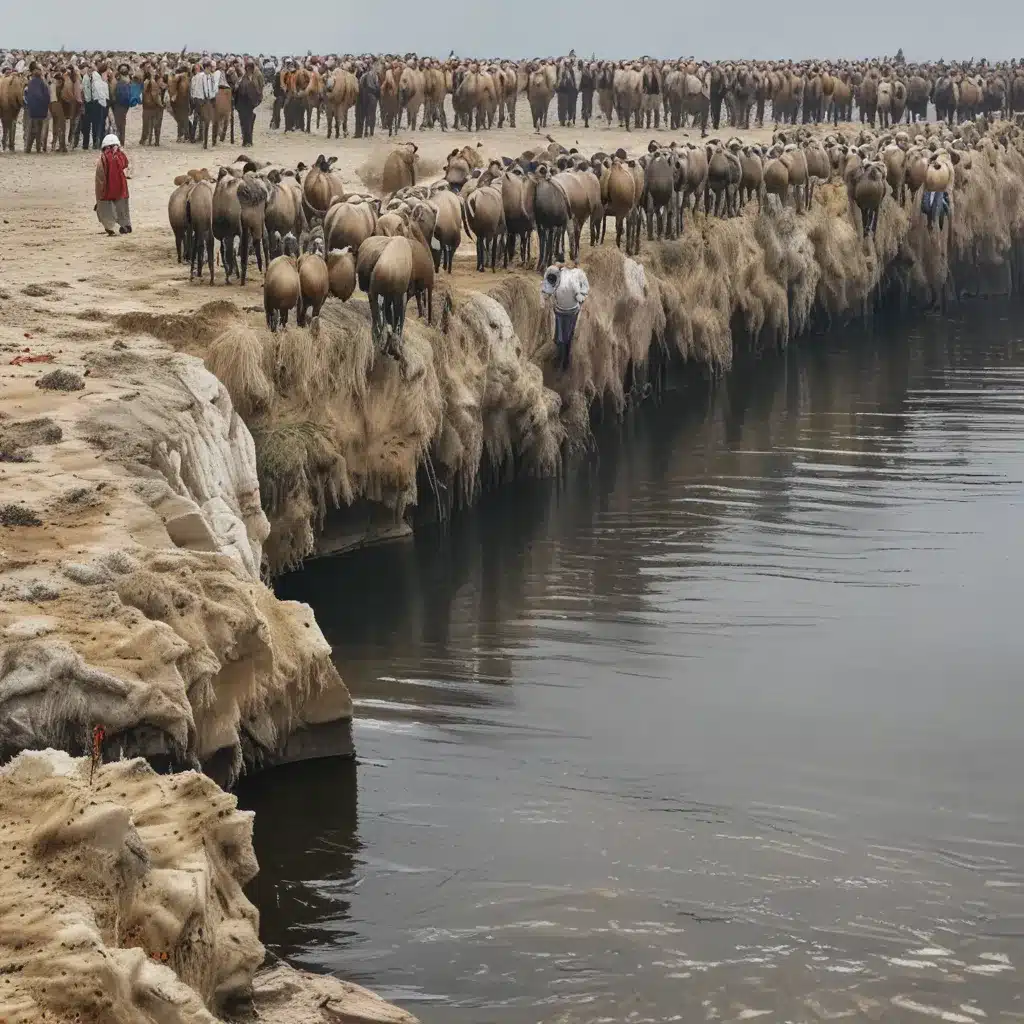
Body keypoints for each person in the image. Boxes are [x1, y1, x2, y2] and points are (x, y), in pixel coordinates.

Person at [541, 263, 590, 371]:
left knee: (565, 336)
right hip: (562, 311)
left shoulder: (577, 274)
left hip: (569, 311)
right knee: (562, 336)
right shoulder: (558, 272)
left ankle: (564, 360)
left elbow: (584, 288)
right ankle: (562, 358)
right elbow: (548, 287)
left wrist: (581, 295)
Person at [95, 134, 131, 236]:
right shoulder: (120, 155)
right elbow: (125, 165)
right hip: (121, 189)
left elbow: (100, 178)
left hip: (106, 190)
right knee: (122, 206)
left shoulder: (103, 158)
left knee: (106, 208)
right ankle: (125, 225)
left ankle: (112, 227)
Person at [22, 63, 50, 153]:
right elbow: (46, 95)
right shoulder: (43, 83)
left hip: (33, 110)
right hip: (41, 110)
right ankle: (37, 148)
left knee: (31, 130)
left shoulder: (30, 83)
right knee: (38, 130)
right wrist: (44, 105)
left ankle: (28, 148)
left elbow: (28, 96)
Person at [81, 61, 108, 150]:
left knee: (95, 124)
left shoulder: (95, 77)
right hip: (89, 103)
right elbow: (86, 91)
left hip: (94, 102)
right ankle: (86, 144)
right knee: (87, 125)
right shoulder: (87, 78)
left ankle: (95, 143)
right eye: (89, 67)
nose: (90, 69)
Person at [110, 63, 132, 144]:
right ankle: (120, 141)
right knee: (121, 123)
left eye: (124, 68)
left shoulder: (119, 79)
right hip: (122, 104)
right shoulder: (126, 79)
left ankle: (119, 141)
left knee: (119, 123)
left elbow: (112, 92)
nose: (124, 70)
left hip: (121, 104)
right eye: (122, 69)